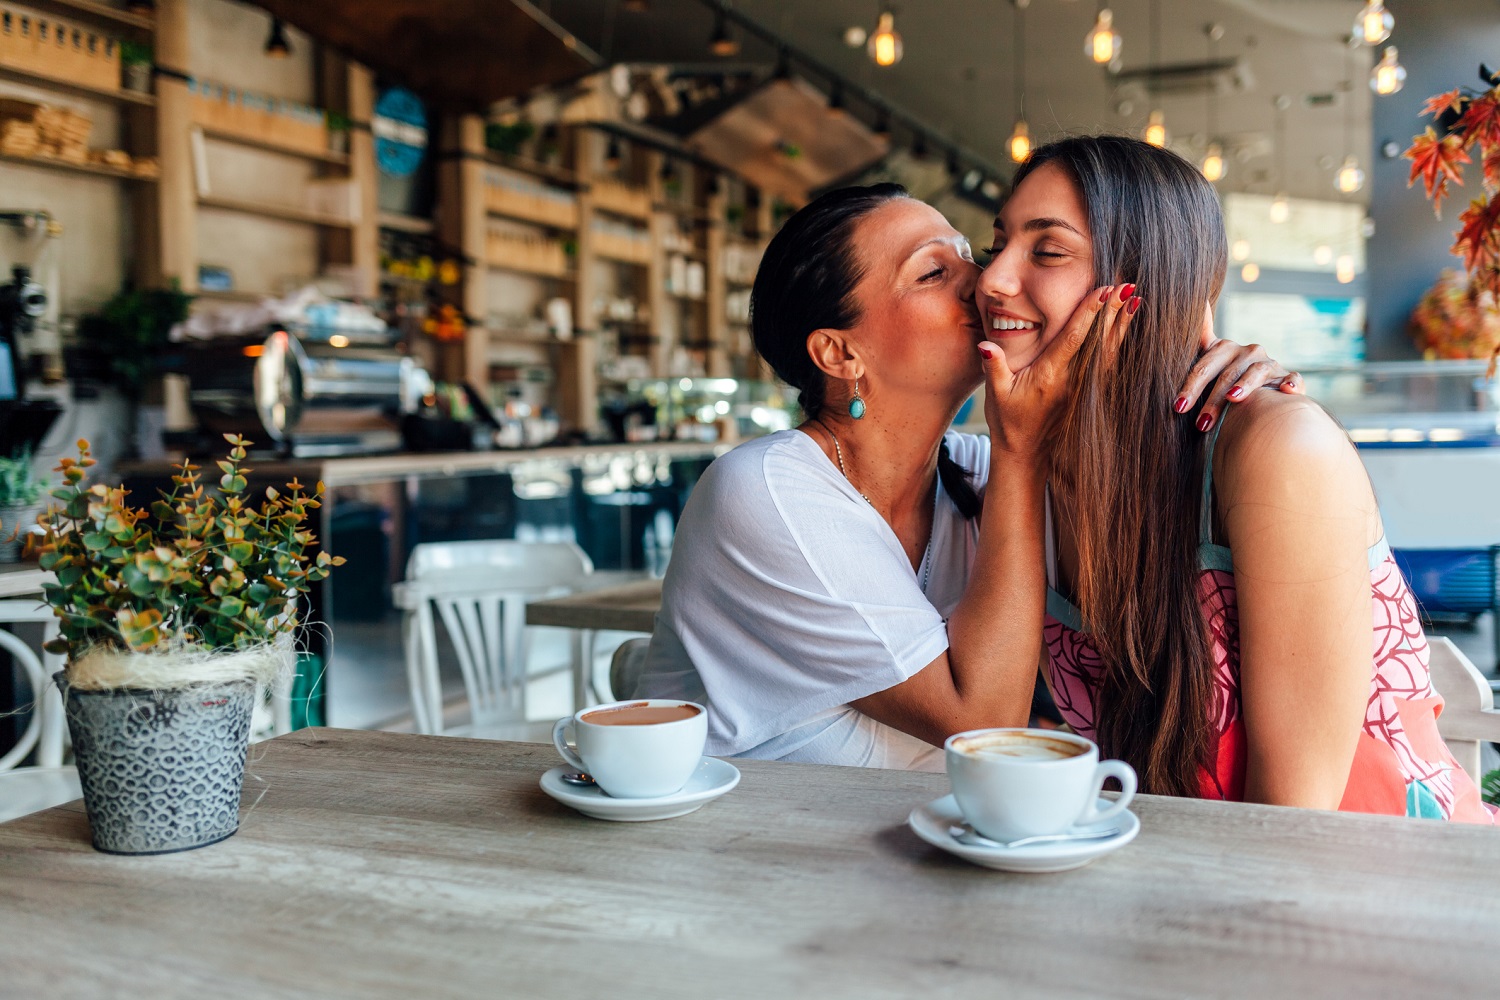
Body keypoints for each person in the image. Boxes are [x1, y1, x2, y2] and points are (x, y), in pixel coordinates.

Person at [636, 182, 1299, 771]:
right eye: (932, 272)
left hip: (913, 847)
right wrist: (1019, 448)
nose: (983, 282)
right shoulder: (765, 490)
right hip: (740, 849)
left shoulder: (977, 473)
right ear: (839, 353)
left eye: (971, 254)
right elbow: (980, 720)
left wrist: (1213, 374)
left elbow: (1147, 511)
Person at [981, 135, 1493, 821]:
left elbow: (1292, 823)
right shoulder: (1032, 470)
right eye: (997, 245)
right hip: (1170, 865)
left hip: (1367, 874)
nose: (992, 279)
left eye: (1047, 251)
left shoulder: (1279, 449)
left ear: (1147, 288)